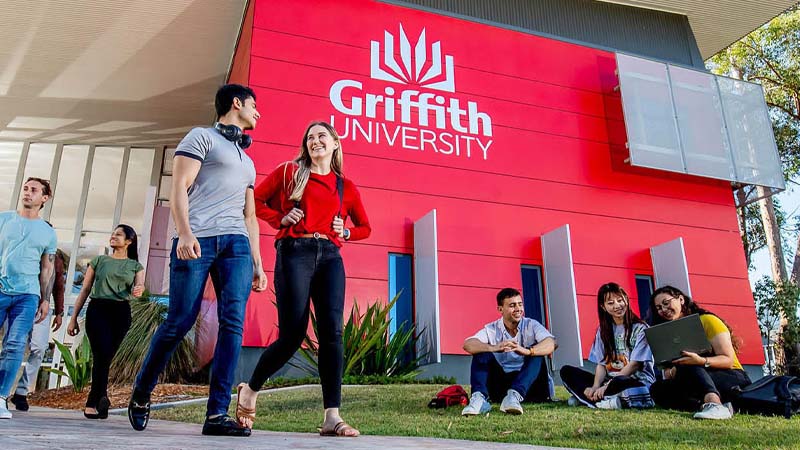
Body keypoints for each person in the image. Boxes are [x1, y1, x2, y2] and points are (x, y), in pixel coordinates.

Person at [127, 84, 267, 436]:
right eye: (253, 105)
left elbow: (250, 215)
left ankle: (217, 414)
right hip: (199, 238)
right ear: (236, 103)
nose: (258, 112)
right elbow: (179, 186)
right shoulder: (200, 137)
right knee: (180, 320)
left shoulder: (248, 161)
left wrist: (257, 261)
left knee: (233, 323)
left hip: (236, 244)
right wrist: (185, 232)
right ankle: (142, 391)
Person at [236, 121, 371, 437]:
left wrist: (346, 232)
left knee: (332, 334)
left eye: (322, 136)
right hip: (294, 252)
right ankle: (250, 390)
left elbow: (365, 227)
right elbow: (253, 202)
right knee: (292, 336)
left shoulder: (346, 187)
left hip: (331, 258)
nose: (315, 141)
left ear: (335, 143)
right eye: (310, 137)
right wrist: (280, 218)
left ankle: (332, 416)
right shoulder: (289, 172)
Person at [67, 225, 144, 419]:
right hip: (98, 309)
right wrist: (73, 318)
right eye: (113, 234)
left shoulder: (135, 266)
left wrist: (139, 290)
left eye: (119, 234)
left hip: (121, 312)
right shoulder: (99, 261)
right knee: (100, 353)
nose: (113, 236)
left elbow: (139, 286)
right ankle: (96, 400)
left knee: (105, 356)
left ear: (129, 241)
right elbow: (85, 289)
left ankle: (99, 400)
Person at [648, 285, 750, 420]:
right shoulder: (669, 333)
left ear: (681, 300)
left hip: (731, 376)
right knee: (658, 388)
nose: (664, 310)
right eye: (659, 308)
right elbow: (668, 371)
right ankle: (708, 404)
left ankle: (715, 404)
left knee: (689, 364)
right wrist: (672, 371)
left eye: (666, 303)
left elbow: (728, 360)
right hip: (695, 379)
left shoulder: (707, 320)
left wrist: (701, 361)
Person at [0, 177, 57, 420]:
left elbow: (47, 268)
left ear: (44, 198)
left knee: (14, 345)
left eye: (34, 190)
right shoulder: (4, 219)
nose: (27, 192)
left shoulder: (48, 232)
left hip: (28, 295)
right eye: (25, 188)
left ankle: (1, 397)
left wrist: (45, 299)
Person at [461, 288, 556, 416]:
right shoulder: (492, 329)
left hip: (531, 388)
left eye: (520, 304)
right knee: (481, 352)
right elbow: (468, 344)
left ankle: (514, 396)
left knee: (536, 354)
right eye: (512, 305)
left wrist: (527, 351)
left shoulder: (531, 325)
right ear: (500, 309)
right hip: (501, 388)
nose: (518, 309)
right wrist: (493, 348)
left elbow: (552, 343)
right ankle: (479, 399)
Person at [560, 282, 655, 409]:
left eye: (620, 300)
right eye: (610, 303)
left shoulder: (641, 328)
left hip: (633, 381)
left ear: (626, 300)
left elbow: (635, 365)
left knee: (622, 382)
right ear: (603, 307)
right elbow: (602, 365)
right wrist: (595, 386)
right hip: (609, 381)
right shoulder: (603, 331)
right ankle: (606, 400)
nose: (617, 306)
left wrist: (607, 386)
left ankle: (588, 399)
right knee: (567, 371)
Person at [9, 246, 66, 411]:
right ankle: (4, 391)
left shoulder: (55, 259)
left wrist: (60, 312)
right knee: (12, 346)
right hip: (18, 304)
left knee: (39, 348)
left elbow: (58, 286)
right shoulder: (21, 252)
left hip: (42, 307)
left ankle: (21, 391)